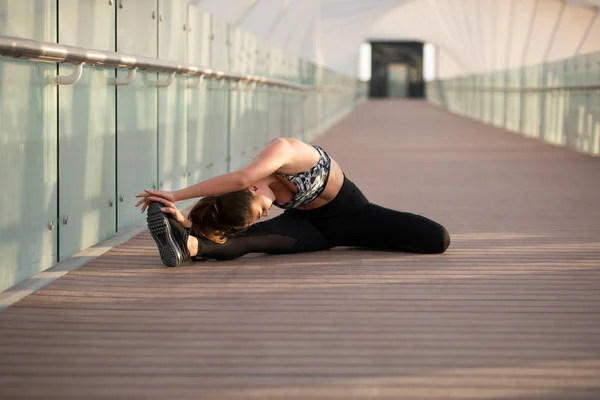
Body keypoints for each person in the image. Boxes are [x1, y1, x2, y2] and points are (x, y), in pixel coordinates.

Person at [135, 138, 450, 267]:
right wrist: (180, 217)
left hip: (357, 219)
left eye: (261, 208)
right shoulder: (247, 192)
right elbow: (228, 198)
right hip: (312, 228)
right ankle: (187, 244)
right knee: (247, 240)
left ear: (253, 187)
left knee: (437, 238)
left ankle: (187, 238)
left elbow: (240, 178)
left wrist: (175, 194)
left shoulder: (283, 151)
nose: (268, 211)